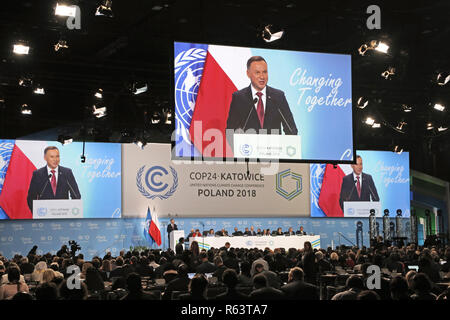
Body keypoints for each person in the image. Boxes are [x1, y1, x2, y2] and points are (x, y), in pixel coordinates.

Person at [226, 56, 298, 135]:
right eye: (257, 72)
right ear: (248, 74)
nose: (262, 77)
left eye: (264, 72)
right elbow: (230, 131)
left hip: (274, 147)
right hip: (247, 147)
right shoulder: (239, 98)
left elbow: (291, 129)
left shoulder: (278, 97)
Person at [27, 146, 81, 212]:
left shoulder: (67, 172)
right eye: (52, 157)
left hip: (63, 214)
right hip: (44, 215)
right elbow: (31, 197)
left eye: (57, 156)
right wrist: (37, 213)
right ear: (45, 158)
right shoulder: (38, 174)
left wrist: (73, 211)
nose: (55, 160)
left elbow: (76, 195)